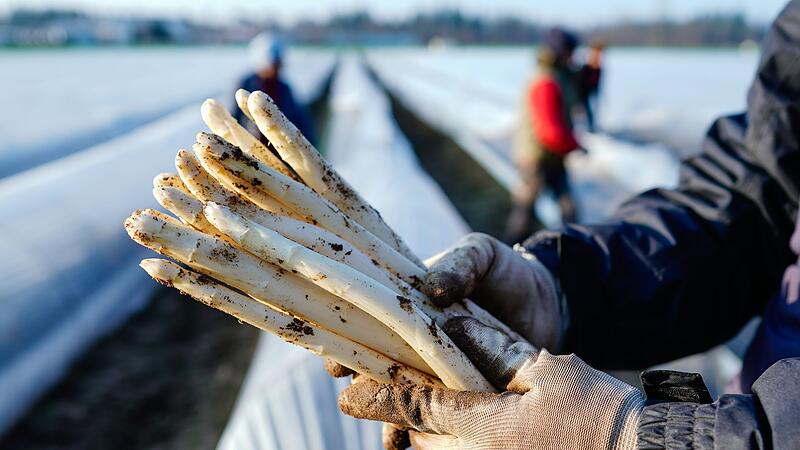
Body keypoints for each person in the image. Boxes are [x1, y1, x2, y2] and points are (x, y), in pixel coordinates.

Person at [336, 2, 800, 448]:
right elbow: (754, 198)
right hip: (750, 392)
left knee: (545, 200)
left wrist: (666, 438)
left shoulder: (556, 79)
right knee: (538, 201)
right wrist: (565, 289)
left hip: (738, 420)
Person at [507, 28, 582, 244]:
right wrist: (574, 144)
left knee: (569, 210)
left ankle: (575, 252)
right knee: (525, 213)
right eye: (571, 52)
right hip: (537, 158)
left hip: (551, 156)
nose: (573, 57)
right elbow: (550, 132)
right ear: (560, 52)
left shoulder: (557, 76)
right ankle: (506, 258)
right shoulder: (546, 81)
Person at [233, 33, 316, 146]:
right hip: (253, 147)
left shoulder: (285, 89)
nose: (275, 69)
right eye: (273, 65)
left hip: (280, 148)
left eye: (278, 65)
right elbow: (233, 118)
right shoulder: (245, 84)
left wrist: (311, 145)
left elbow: (300, 120)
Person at [577, 40, 604, 132]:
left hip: (592, 92)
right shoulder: (585, 68)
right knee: (585, 112)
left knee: (592, 111)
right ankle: (587, 130)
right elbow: (580, 82)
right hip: (584, 93)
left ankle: (591, 128)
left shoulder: (599, 68)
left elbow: (598, 82)